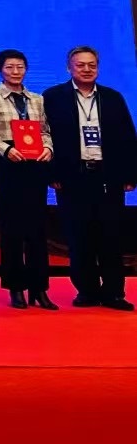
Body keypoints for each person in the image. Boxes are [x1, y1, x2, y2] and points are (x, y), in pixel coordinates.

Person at [42, 46, 137, 310]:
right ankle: (87, 291)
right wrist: (52, 173)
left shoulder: (112, 97)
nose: (86, 69)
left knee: (111, 236)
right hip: (72, 177)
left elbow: (128, 138)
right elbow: (44, 136)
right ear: (69, 68)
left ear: (98, 67)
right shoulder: (53, 97)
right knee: (79, 236)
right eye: (80, 65)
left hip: (108, 177)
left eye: (91, 65)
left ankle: (114, 293)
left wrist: (130, 174)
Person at [0, 49, 55, 309]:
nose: (15, 71)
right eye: (10, 67)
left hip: (35, 165)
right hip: (7, 164)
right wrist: (5, 149)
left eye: (20, 67)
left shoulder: (37, 99)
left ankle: (39, 288)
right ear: (0, 70)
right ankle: (16, 288)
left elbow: (46, 131)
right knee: (12, 227)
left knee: (37, 227)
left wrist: (48, 148)